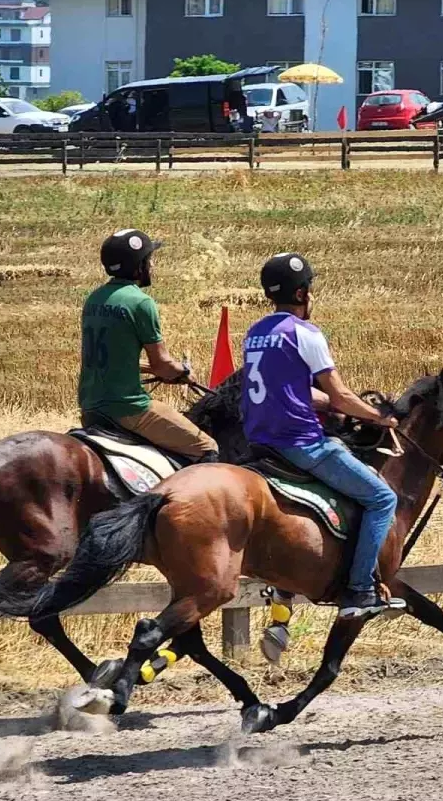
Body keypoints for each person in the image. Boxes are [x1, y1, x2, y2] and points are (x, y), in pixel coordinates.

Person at [240, 253, 404, 618]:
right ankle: (360, 589)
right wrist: (381, 418)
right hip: (302, 443)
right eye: (309, 289)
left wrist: (331, 404)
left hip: (259, 444)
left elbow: (287, 389)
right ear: (301, 293)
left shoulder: (255, 333)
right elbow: (341, 395)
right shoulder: (306, 333)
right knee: (381, 498)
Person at [79, 230, 220, 463]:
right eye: (149, 260)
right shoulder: (141, 303)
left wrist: (152, 369)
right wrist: (183, 372)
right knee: (208, 447)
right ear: (139, 266)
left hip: (90, 407)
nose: (153, 265)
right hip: (129, 408)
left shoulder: (94, 299)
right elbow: (163, 364)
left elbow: (116, 358)